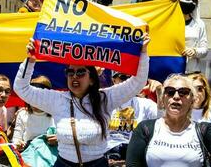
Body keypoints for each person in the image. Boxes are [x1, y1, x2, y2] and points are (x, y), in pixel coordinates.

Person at [13, 35, 150, 166]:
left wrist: (143, 53)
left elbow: (138, 82)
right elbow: (21, 88)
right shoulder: (57, 99)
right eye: (70, 73)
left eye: (80, 72)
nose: (74, 77)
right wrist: (30, 60)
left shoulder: (105, 99)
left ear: (91, 79)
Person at [126, 74, 211, 166]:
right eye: (170, 91)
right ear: (163, 99)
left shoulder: (204, 130)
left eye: (183, 92)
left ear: (192, 101)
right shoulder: (145, 129)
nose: (176, 96)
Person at [106, 72, 157, 162]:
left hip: (134, 154)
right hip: (108, 154)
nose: (128, 81)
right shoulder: (104, 102)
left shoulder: (145, 104)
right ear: (114, 80)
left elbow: (165, 120)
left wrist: (161, 93)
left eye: (131, 78)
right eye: (123, 77)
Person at [12, 75, 56, 151]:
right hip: (27, 155)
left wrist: (57, 140)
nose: (35, 101)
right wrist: (18, 144)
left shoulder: (56, 115)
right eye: (33, 97)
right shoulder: (22, 114)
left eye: (40, 97)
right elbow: (16, 139)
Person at [176, 0, 208, 73]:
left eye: (193, 0)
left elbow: (204, 50)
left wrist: (194, 51)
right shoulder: (169, 23)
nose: (190, 2)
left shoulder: (199, 24)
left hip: (192, 72)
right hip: (173, 71)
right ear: (178, 0)